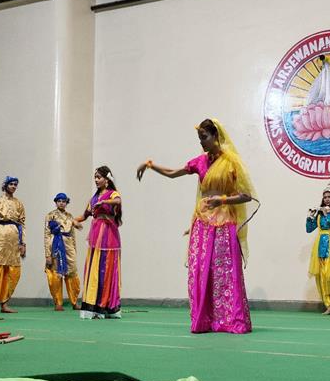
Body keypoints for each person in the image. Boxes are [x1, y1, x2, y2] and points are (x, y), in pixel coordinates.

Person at [137, 118, 257, 334]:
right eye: (199, 138)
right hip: (202, 221)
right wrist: (150, 165)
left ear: (216, 136)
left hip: (224, 221)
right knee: (201, 270)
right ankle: (205, 320)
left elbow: (246, 196)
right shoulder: (200, 161)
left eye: (204, 137)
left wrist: (222, 200)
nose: (201, 142)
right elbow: (174, 173)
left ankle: (229, 320)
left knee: (224, 270)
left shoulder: (231, 162)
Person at [77, 168, 122, 319]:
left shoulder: (112, 194)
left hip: (109, 236)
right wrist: (72, 220)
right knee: (94, 269)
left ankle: (105, 306)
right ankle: (94, 305)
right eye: (95, 177)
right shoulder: (93, 199)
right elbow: (84, 216)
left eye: (99, 177)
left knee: (105, 269)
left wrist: (104, 201)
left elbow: (118, 201)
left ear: (107, 180)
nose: (96, 180)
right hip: (96, 237)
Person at [0, 176, 26, 314]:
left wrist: (22, 243)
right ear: (6, 185)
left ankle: (5, 303)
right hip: (0, 237)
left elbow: (22, 224)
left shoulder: (19, 203)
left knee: (13, 273)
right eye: (11, 184)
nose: (13, 186)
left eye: (15, 184)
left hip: (14, 239)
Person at [306, 182, 330, 315]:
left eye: (329, 197)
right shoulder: (319, 213)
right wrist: (310, 217)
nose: (327, 199)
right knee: (322, 276)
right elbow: (309, 229)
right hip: (320, 245)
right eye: (325, 197)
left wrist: (327, 214)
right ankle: (328, 305)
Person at [44, 193, 83, 312]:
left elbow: (73, 234)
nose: (61, 203)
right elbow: (46, 235)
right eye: (59, 201)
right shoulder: (50, 215)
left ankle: (74, 301)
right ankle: (58, 302)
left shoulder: (70, 216)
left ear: (66, 203)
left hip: (68, 245)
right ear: (56, 202)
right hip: (56, 245)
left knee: (72, 272)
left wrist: (74, 249)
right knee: (56, 273)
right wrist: (47, 254)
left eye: (64, 201)